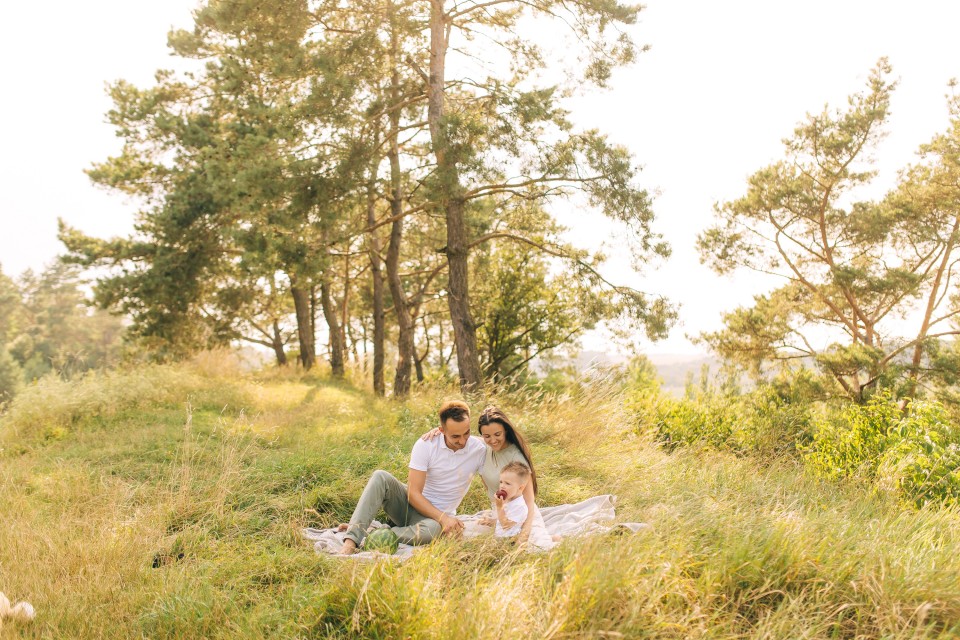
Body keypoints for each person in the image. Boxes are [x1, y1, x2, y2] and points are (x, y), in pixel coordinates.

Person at [338, 400, 486, 555]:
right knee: (380, 476)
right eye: (455, 436)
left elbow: (497, 440)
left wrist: (444, 520)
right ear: (442, 430)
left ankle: (375, 533)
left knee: (433, 530)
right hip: (409, 508)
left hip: (432, 523)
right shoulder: (426, 444)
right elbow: (413, 494)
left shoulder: (479, 449)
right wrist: (444, 519)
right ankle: (351, 540)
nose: (462, 441)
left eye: (466, 433)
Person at [425, 405, 539, 542]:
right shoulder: (485, 446)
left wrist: (523, 536)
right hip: (499, 513)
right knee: (455, 535)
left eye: (498, 434)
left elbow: (529, 502)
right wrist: (439, 433)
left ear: (506, 430)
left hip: (518, 515)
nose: (493, 440)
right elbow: (456, 435)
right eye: (487, 436)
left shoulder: (517, 458)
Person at [493, 461, 531, 538]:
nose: (502, 486)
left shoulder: (519, 506)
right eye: (501, 482)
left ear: (520, 488)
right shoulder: (508, 499)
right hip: (499, 537)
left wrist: (499, 507)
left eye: (507, 483)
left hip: (509, 540)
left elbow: (505, 525)